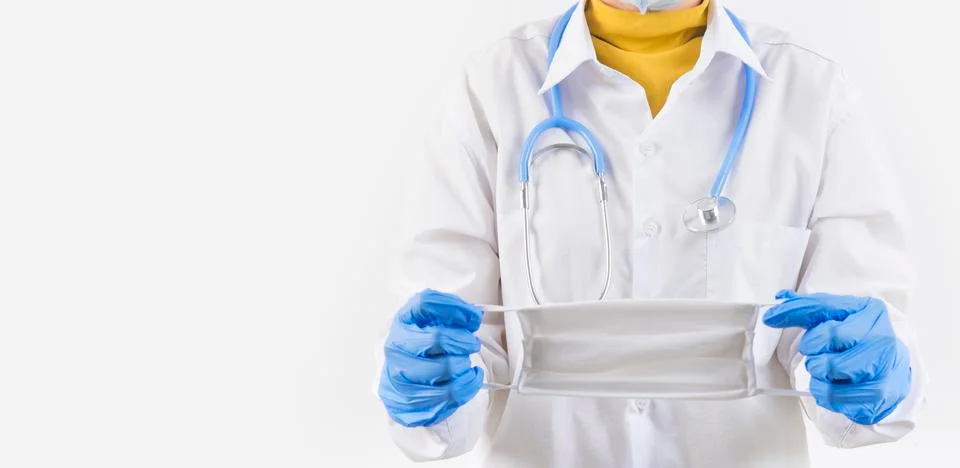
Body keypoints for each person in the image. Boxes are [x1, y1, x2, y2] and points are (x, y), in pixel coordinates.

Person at [376, 0, 927, 466]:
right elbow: (454, 357)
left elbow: (848, 365)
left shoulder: (811, 91)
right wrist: (431, 388)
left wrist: (868, 380)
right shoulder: (493, 86)